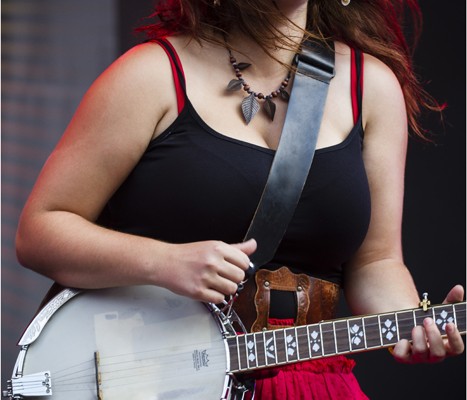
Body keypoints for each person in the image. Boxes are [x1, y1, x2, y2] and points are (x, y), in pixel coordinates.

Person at [15, 0, 464, 398]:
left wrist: (411, 325)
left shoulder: (371, 89)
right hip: (167, 383)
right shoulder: (150, 75)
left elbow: (377, 262)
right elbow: (40, 230)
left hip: (314, 384)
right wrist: (162, 261)